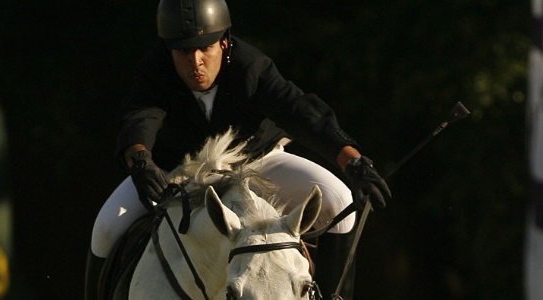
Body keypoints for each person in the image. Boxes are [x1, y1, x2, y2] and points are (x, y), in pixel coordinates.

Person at [85, 0, 391, 299]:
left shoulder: (250, 65)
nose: (195, 62)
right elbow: (140, 117)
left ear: (225, 42)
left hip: (256, 161)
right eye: (183, 52)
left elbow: (300, 111)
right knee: (106, 229)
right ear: (168, 50)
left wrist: (353, 162)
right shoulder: (155, 69)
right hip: (177, 171)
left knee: (339, 199)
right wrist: (140, 160)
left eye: (205, 47)